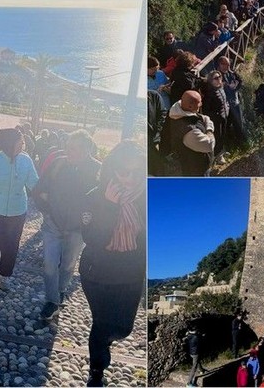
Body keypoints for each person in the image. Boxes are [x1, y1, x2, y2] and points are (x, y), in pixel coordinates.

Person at [79, 140, 145, 387]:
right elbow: (94, 239)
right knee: (102, 322)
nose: (129, 178)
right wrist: (108, 206)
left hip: (131, 273)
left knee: (124, 328)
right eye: (123, 171)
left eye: (136, 172)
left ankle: (103, 341)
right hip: (98, 272)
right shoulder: (94, 197)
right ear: (112, 169)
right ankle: (97, 370)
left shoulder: (145, 197)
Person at [34, 130, 101, 321]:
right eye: (68, 147)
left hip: (78, 228)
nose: (69, 152)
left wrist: (90, 219)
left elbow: (101, 201)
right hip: (52, 224)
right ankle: (51, 302)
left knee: (68, 264)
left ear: (87, 150)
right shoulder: (58, 164)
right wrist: (46, 210)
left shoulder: (98, 171)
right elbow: (39, 190)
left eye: (74, 149)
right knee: (49, 263)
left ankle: (61, 290)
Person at [0, 128, 39, 290]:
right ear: (8, 144)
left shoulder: (26, 161)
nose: (23, 145)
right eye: (19, 142)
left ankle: (4, 275)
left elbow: (34, 184)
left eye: (23, 142)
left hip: (17, 211)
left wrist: (47, 197)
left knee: (11, 245)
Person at [166, 90, 215, 176]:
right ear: (190, 106)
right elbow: (209, 145)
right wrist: (209, 130)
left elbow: (204, 117)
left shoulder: (180, 110)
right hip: (196, 169)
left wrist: (206, 120)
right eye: (199, 103)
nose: (201, 104)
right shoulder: (189, 132)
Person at [202, 70, 230, 165]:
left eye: (220, 77)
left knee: (223, 136)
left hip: (224, 117)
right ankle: (217, 157)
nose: (219, 79)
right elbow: (206, 110)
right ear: (211, 80)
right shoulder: (209, 93)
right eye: (216, 78)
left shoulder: (221, 88)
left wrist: (227, 108)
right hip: (216, 120)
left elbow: (225, 101)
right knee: (217, 137)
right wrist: (216, 116)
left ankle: (221, 152)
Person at [217, 56, 246, 148]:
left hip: (235, 102)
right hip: (225, 105)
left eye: (229, 65)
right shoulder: (217, 76)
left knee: (239, 123)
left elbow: (240, 80)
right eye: (226, 65)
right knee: (227, 126)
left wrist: (235, 86)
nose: (228, 67)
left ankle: (240, 143)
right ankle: (229, 145)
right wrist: (225, 86)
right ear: (220, 64)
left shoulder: (231, 72)